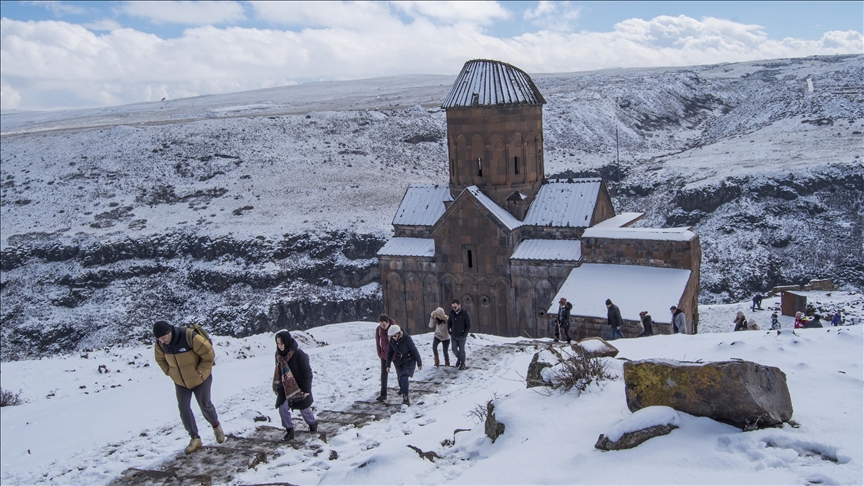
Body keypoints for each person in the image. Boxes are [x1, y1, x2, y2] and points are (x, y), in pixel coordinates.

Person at [153, 320, 225, 455]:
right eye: (159, 339)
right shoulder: (161, 345)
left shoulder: (189, 337)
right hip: (181, 382)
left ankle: (216, 426)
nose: (162, 341)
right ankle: (195, 438)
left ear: (170, 332)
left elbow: (208, 354)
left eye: (163, 338)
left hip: (201, 379)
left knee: (205, 405)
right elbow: (160, 359)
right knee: (184, 408)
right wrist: (170, 372)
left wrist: (200, 372)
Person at [272, 330, 317, 441]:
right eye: (278, 343)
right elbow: (279, 371)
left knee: (304, 409)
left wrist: (306, 389)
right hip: (285, 387)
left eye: (282, 343)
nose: (280, 346)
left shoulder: (298, 354)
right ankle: (289, 431)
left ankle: (313, 423)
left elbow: (307, 373)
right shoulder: (278, 356)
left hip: (299, 387)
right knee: (282, 408)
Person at [385, 325, 422, 405]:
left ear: (399, 333)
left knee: (405, 376)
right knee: (400, 377)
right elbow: (389, 353)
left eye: (395, 336)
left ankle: (406, 397)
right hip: (399, 360)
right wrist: (387, 365)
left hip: (409, 359)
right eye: (391, 336)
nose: (394, 338)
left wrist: (419, 362)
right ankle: (402, 389)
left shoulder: (407, 339)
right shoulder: (391, 341)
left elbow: (414, 350)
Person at [375, 314, 395, 401]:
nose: (382, 327)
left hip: (394, 353)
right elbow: (377, 341)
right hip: (384, 354)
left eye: (384, 325)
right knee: (383, 374)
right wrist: (379, 353)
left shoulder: (394, 328)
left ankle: (402, 389)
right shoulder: (379, 330)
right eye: (380, 324)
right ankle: (383, 394)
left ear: (388, 323)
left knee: (399, 372)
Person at [448, 299, 471, 370]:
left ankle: (462, 363)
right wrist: (449, 331)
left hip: (461, 335)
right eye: (452, 307)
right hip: (454, 335)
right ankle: (459, 359)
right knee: (454, 349)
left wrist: (464, 334)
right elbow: (449, 322)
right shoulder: (452, 313)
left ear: (459, 305)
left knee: (461, 350)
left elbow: (469, 325)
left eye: (455, 307)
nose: (454, 309)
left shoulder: (464, 313)